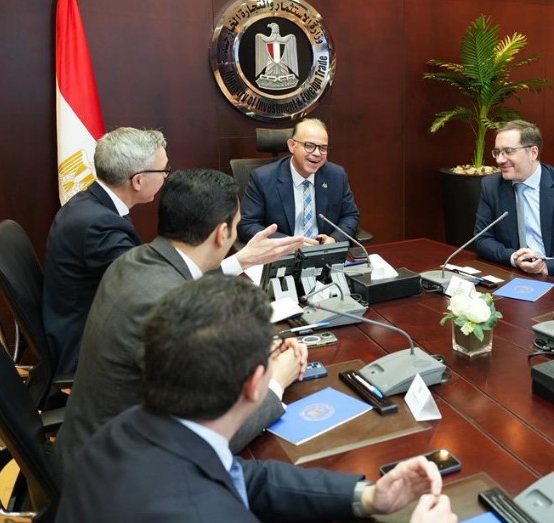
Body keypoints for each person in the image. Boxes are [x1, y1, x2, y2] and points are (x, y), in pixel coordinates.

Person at [55, 275, 457, 522]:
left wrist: (368, 496)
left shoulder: (124, 430)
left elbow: (246, 478)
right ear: (253, 384)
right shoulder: (207, 514)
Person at [52, 169, 311, 482]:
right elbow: (207, 440)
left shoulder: (134, 261)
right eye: (236, 224)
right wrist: (275, 383)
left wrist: (241, 260)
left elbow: (185, 280)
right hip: (117, 480)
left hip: (87, 447)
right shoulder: (171, 311)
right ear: (222, 234)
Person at [43, 127, 306, 375]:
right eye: (164, 170)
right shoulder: (99, 226)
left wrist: (243, 260)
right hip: (89, 353)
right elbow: (161, 292)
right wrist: (240, 262)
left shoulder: (93, 206)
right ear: (138, 180)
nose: (166, 176)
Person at [473, 120, 554, 288]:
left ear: (533, 152)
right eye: (497, 152)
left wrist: (545, 267)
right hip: (516, 277)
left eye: (508, 151)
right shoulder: (491, 186)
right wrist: (514, 258)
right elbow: (482, 239)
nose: (500, 159)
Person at [239, 118, 361, 244]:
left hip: (324, 251)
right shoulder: (262, 178)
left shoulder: (336, 176)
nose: (317, 153)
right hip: (284, 252)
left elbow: (350, 216)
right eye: (309, 146)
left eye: (323, 148)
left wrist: (334, 239)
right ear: (292, 146)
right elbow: (248, 225)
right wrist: (290, 243)